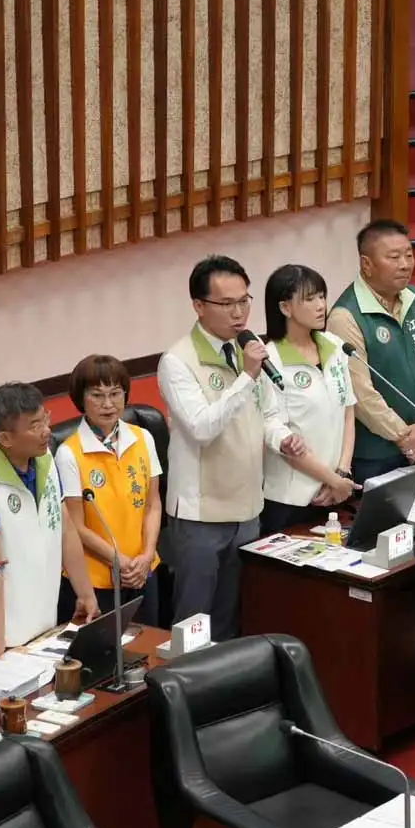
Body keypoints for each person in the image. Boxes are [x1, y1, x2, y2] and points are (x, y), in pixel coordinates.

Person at [158, 255, 268, 637]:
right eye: (227, 304)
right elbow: (203, 427)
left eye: (245, 300)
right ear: (199, 306)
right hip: (201, 513)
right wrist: (247, 378)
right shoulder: (177, 362)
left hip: (248, 506)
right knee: (194, 623)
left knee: (231, 617)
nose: (239, 313)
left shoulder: (245, 348)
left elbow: (261, 414)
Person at [0, 384, 99, 656]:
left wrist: (85, 592)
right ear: (6, 438)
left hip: (43, 625)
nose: (47, 430)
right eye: (35, 425)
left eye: (46, 418)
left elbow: (65, 528)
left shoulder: (45, 460)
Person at [327, 220, 415, 482]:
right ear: (367, 264)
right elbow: (361, 395)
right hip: (375, 456)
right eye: (394, 257)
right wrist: (405, 438)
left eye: (409, 255)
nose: (405, 264)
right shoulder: (345, 316)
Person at [55, 355, 164, 625]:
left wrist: (147, 555)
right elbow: (75, 526)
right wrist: (119, 561)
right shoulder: (69, 452)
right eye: (97, 395)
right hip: (97, 580)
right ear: (81, 399)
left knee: (149, 646)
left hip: (142, 570)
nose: (108, 404)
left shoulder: (143, 437)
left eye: (115, 393)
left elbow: (153, 504)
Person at [259, 264, 359, 534]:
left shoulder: (334, 346)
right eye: (310, 298)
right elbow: (280, 436)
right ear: (284, 308)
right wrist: (331, 480)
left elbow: (348, 410)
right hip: (292, 499)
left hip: (336, 491)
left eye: (322, 297)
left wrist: (342, 473)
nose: (320, 305)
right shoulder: (270, 361)